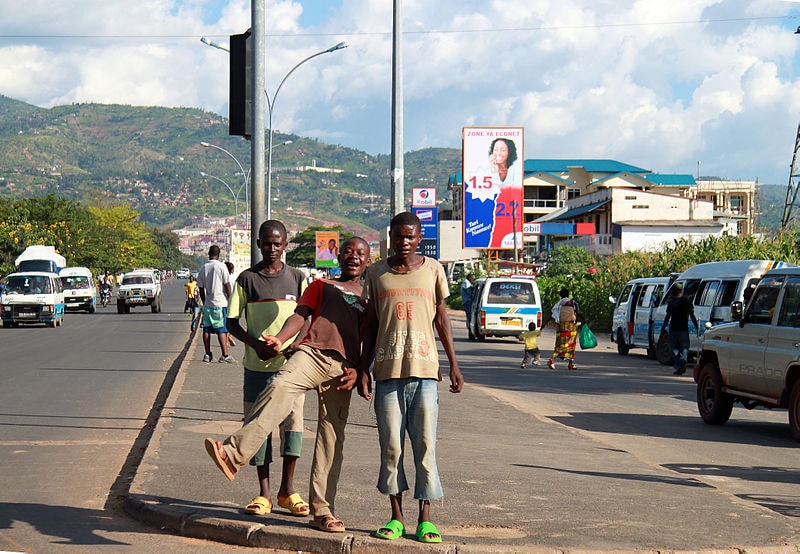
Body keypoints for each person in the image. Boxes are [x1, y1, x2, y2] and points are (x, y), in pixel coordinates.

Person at [204, 237, 371, 533]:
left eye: (360, 253)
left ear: (368, 261)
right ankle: (233, 454)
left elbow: (371, 337)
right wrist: (281, 339)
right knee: (279, 386)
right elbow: (300, 316)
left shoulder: (371, 296)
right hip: (311, 353)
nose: (353, 257)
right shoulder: (321, 285)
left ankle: (323, 510)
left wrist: (361, 370)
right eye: (348, 251)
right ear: (338, 256)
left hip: (344, 368)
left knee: (331, 437)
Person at [357, 211, 464, 544]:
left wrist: (454, 364)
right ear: (390, 237)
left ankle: (425, 518)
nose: (403, 242)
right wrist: (363, 367)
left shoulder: (433, 270)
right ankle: (396, 517)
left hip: (426, 375)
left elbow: (442, 320)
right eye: (397, 236)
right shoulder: (376, 273)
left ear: (419, 239)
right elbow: (371, 324)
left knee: (424, 446)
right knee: (391, 448)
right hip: (387, 375)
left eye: (409, 237)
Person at [224, 220, 309, 519]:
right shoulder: (247, 280)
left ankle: (288, 489)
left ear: (286, 244)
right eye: (266, 243)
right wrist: (254, 344)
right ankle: (264, 493)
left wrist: (293, 345)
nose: (272, 248)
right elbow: (232, 322)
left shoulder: (298, 278)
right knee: (258, 429)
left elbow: (307, 318)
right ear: (258, 243)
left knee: (293, 429)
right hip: (256, 368)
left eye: (278, 243)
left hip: (291, 369)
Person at [196, 244, 233, 363]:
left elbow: (201, 288)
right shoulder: (222, 267)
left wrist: (204, 300)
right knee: (221, 329)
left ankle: (207, 354)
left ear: (209, 254)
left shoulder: (203, 268)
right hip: (220, 302)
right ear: (218, 254)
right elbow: (227, 285)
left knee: (206, 329)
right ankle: (225, 355)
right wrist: (230, 299)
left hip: (208, 303)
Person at [661, 282, 699, 375]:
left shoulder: (671, 302)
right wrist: (697, 327)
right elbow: (692, 316)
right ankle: (683, 360)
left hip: (673, 328)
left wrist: (663, 327)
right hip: (684, 329)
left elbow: (667, 316)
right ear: (681, 290)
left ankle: (679, 366)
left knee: (674, 348)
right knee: (685, 347)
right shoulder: (687, 302)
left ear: (674, 290)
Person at [547, 287, 582, 370]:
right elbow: (578, 312)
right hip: (571, 327)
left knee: (559, 344)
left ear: (560, 295)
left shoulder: (558, 304)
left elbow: (552, 314)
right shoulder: (573, 303)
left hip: (561, 327)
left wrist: (544, 325)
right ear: (568, 294)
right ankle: (570, 363)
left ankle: (552, 360)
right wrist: (585, 321)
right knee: (571, 345)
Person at [224, 262, 237, 348]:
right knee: (234, 322)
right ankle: (231, 335)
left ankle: (225, 341)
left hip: (223, 302)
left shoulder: (223, 278)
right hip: (232, 301)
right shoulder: (233, 278)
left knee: (224, 322)